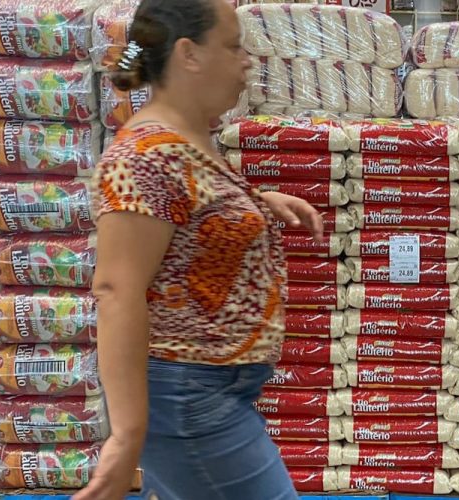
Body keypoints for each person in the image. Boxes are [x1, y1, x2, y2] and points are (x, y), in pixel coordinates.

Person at [73, 1, 322, 499]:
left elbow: (187, 212)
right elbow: (117, 290)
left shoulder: (188, 139)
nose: (246, 61)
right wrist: (126, 436)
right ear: (189, 54)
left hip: (210, 391)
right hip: (191, 398)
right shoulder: (145, 155)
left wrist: (254, 206)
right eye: (232, 46)